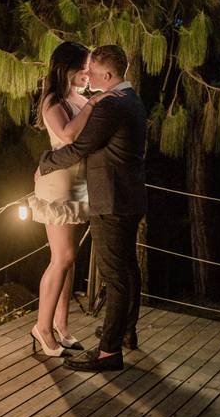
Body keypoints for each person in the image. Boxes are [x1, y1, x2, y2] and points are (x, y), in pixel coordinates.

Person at [36, 44, 147, 371]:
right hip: (103, 193)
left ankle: (108, 349)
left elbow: (81, 145)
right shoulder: (128, 99)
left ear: (108, 75)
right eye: (84, 68)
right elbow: (74, 140)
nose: (89, 76)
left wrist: (46, 162)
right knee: (117, 269)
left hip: (108, 195)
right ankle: (113, 333)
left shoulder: (110, 104)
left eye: (94, 71)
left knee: (116, 273)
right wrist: (48, 165)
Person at [28, 41, 120, 357]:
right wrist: (95, 105)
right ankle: (42, 328)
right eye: (82, 69)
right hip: (58, 188)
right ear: (66, 69)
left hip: (78, 186)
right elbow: (68, 136)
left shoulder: (79, 98)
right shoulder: (53, 102)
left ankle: (62, 326)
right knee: (62, 258)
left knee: (70, 261)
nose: (87, 74)